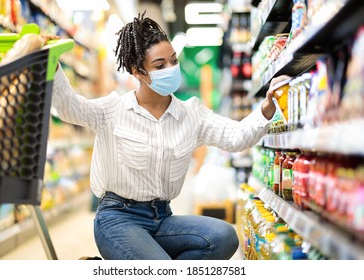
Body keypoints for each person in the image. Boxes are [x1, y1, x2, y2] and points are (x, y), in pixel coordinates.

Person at [51, 12, 288, 260]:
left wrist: (266, 109)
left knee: (223, 237)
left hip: (163, 218)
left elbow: (236, 136)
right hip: (118, 218)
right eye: (160, 65)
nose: (171, 69)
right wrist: (54, 64)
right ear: (138, 72)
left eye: (173, 61)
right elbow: (71, 108)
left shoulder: (190, 114)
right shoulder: (112, 110)